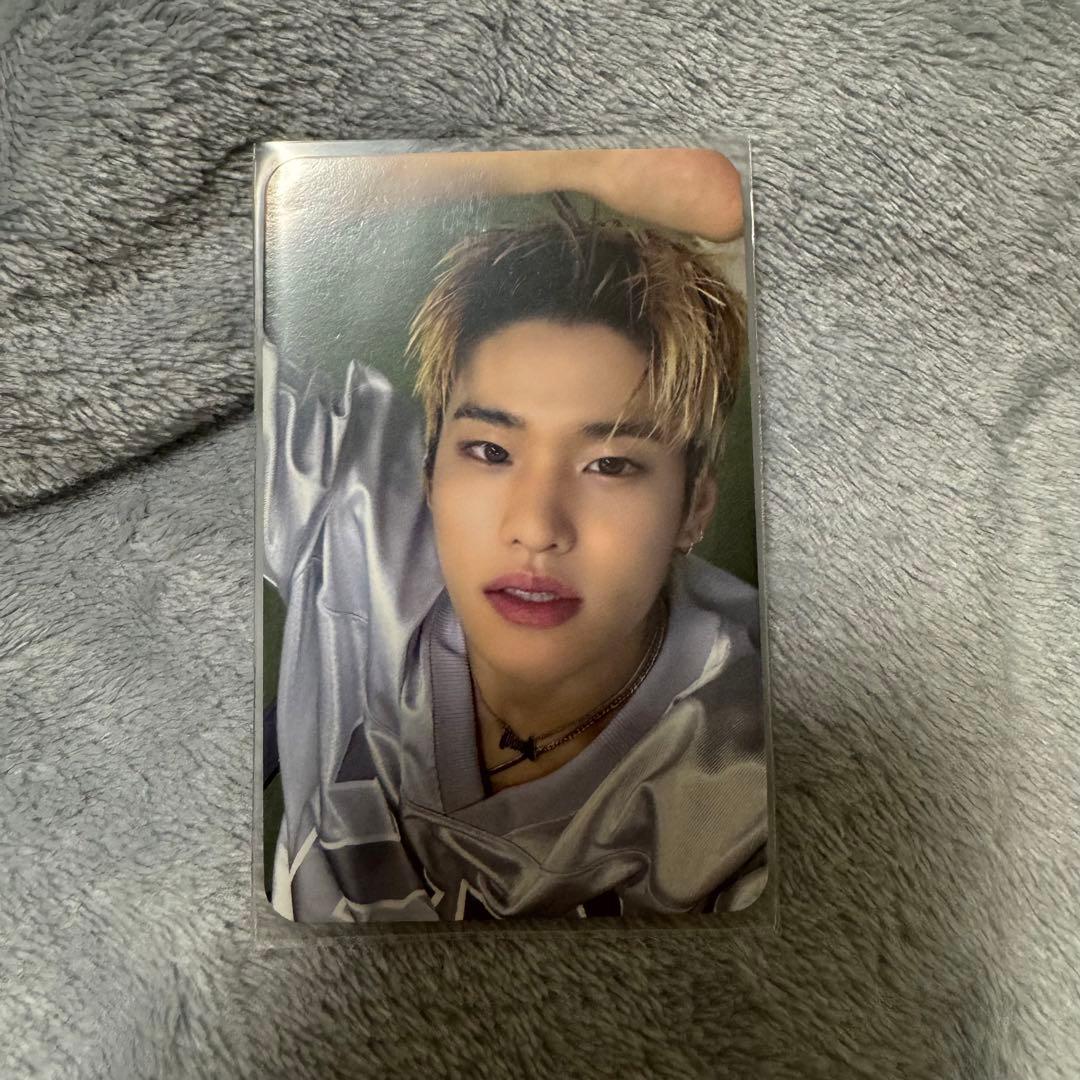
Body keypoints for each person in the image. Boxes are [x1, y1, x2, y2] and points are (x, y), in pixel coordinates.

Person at [263, 148, 767, 923]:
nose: (536, 527)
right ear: (429, 466)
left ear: (694, 508)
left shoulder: (758, 758)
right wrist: (580, 162)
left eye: (609, 465)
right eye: (490, 452)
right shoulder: (348, 505)